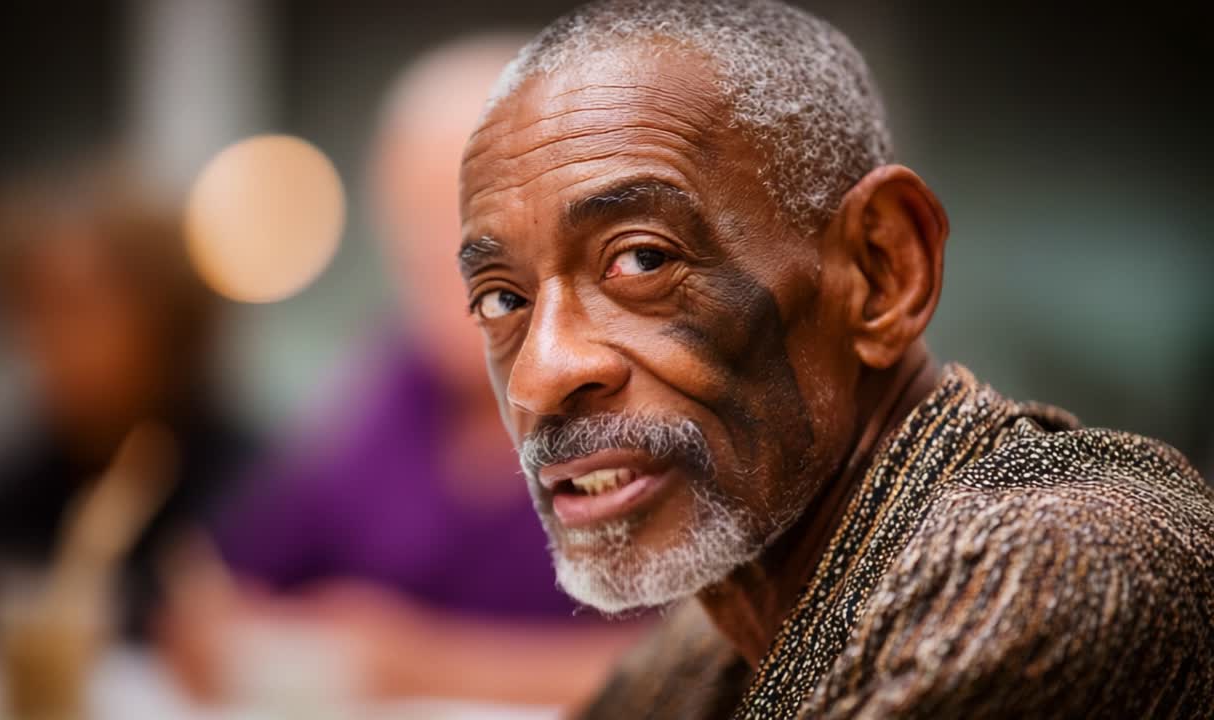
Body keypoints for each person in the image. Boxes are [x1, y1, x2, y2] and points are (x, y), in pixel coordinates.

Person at [456, 1, 1214, 717]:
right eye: (500, 300)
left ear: (884, 270)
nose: (539, 377)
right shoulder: (712, 641)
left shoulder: (1065, 559)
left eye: (643, 259)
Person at [161, 35, 643, 707]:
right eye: (410, 219)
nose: (440, 253)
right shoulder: (396, 385)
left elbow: (733, 662)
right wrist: (218, 625)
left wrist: (426, 663)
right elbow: (237, 573)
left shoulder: (648, 391)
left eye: (469, 214)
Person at [0, 160, 253, 639]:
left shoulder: (250, 485)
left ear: (166, 320)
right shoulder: (0, 490)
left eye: (82, 307)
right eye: (35, 309)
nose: (55, 340)